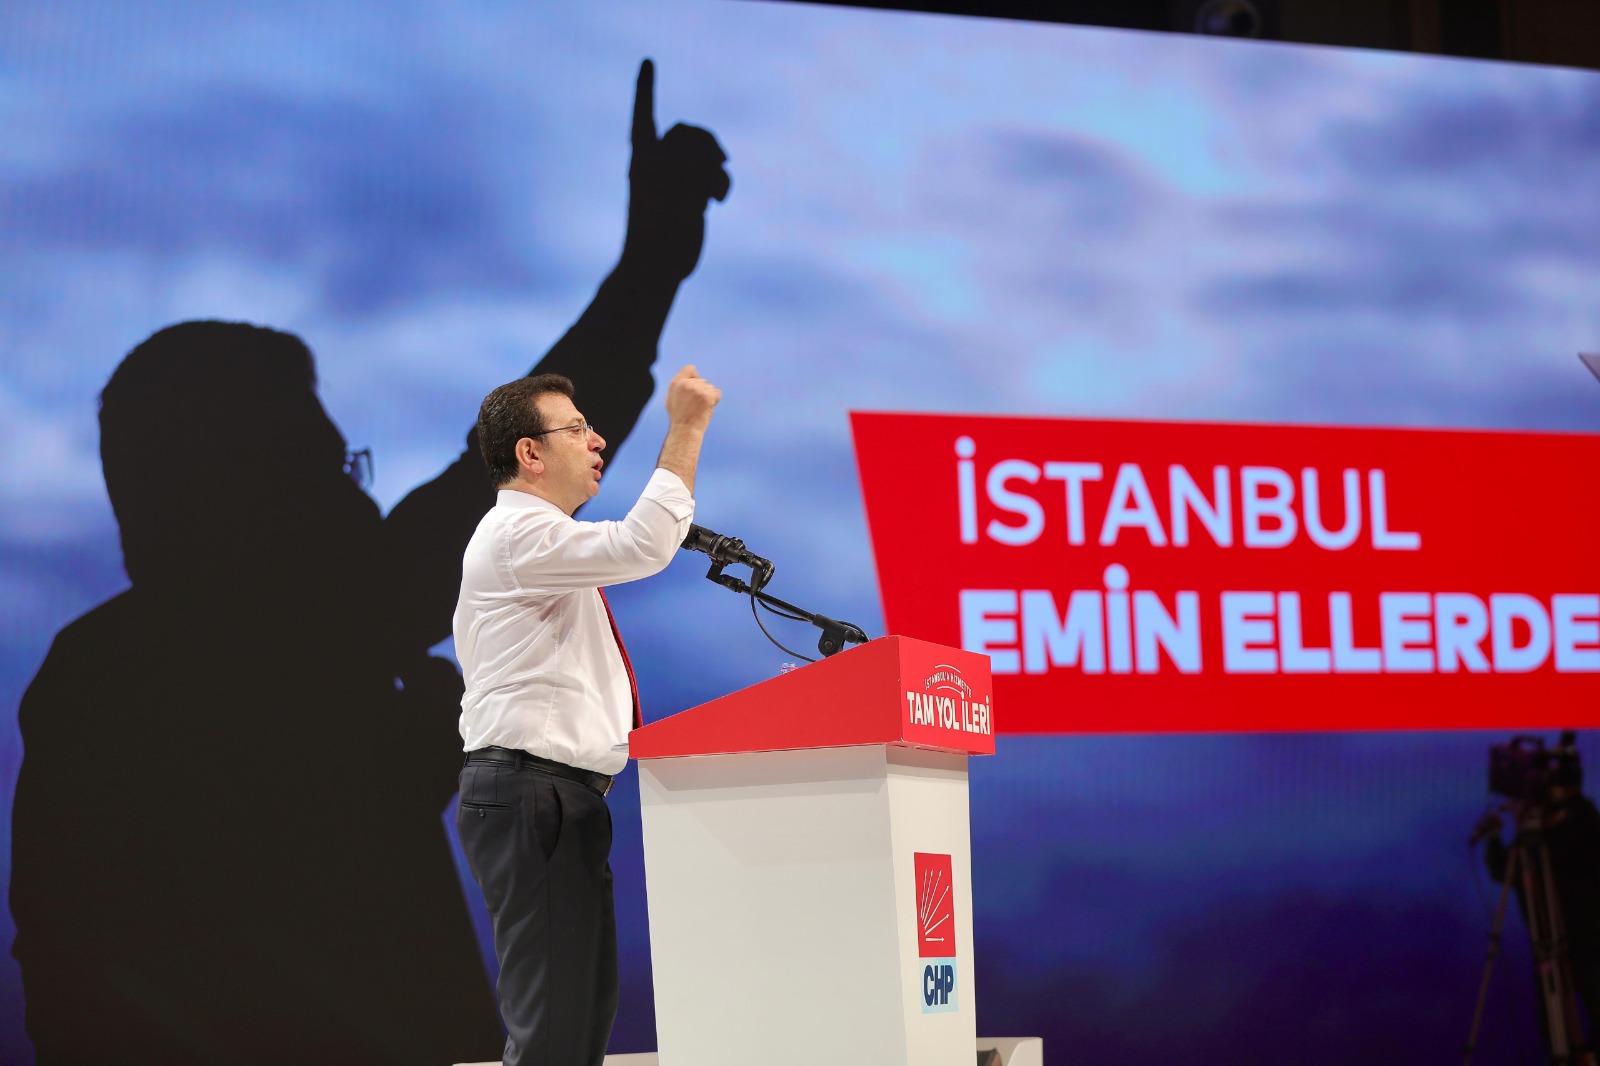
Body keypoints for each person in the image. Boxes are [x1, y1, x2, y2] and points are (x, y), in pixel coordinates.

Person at [10, 59, 728, 1065]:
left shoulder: (108, 682)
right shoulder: (279, 637)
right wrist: (649, 261)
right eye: (326, 469)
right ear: (236, 493)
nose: (361, 498)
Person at [453, 363, 720, 1066]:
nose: (598, 440)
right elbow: (643, 544)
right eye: (576, 429)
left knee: (577, 1020)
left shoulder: (542, 543)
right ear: (530, 453)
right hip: (530, 793)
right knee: (554, 1029)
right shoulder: (517, 535)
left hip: (550, 796)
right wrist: (687, 425)